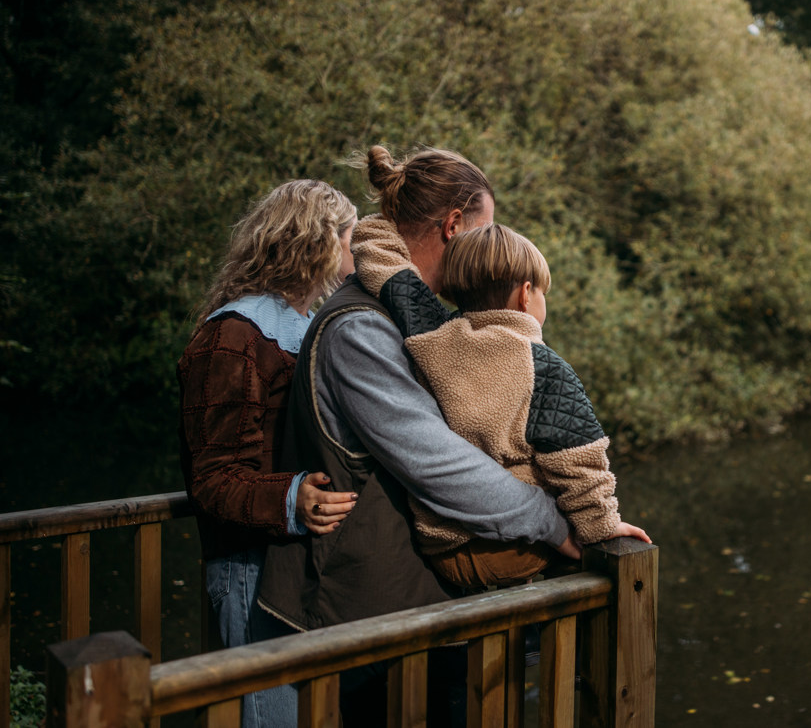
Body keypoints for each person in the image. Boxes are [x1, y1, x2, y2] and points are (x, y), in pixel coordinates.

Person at [256, 146, 575, 721]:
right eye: (483, 233)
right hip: (364, 626)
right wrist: (553, 523)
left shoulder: (416, 321)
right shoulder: (360, 329)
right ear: (453, 227)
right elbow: (438, 463)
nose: (488, 254)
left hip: (411, 617)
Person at [350, 220, 650, 588]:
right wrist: (603, 525)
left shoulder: (430, 333)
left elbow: (379, 258)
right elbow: (579, 463)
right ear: (526, 295)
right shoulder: (543, 365)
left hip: (440, 545)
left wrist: (393, 206)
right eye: (543, 294)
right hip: (506, 550)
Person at [178, 179, 360, 728]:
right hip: (248, 568)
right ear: (320, 242)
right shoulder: (233, 336)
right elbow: (213, 477)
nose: (359, 252)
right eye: (352, 238)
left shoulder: (308, 324)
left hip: (295, 564)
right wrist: (293, 495)